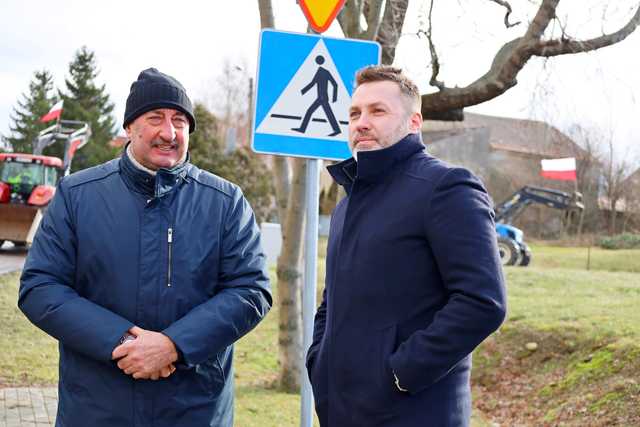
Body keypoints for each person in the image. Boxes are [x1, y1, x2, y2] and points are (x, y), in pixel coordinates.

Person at [18, 68, 272, 427]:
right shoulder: (77, 196)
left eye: (180, 121)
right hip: (97, 409)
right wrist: (122, 341)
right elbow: (40, 288)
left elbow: (251, 289)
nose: (169, 133)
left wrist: (173, 345)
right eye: (156, 119)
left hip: (194, 408)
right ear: (130, 127)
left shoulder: (225, 201)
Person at [306, 65, 507, 427]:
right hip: (341, 410)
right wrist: (319, 362)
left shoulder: (446, 188)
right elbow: (331, 300)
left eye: (377, 111)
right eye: (355, 113)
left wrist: (399, 374)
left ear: (414, 122)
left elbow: (483, 302)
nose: (361, 123)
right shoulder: (346, 203)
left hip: (412, 412)